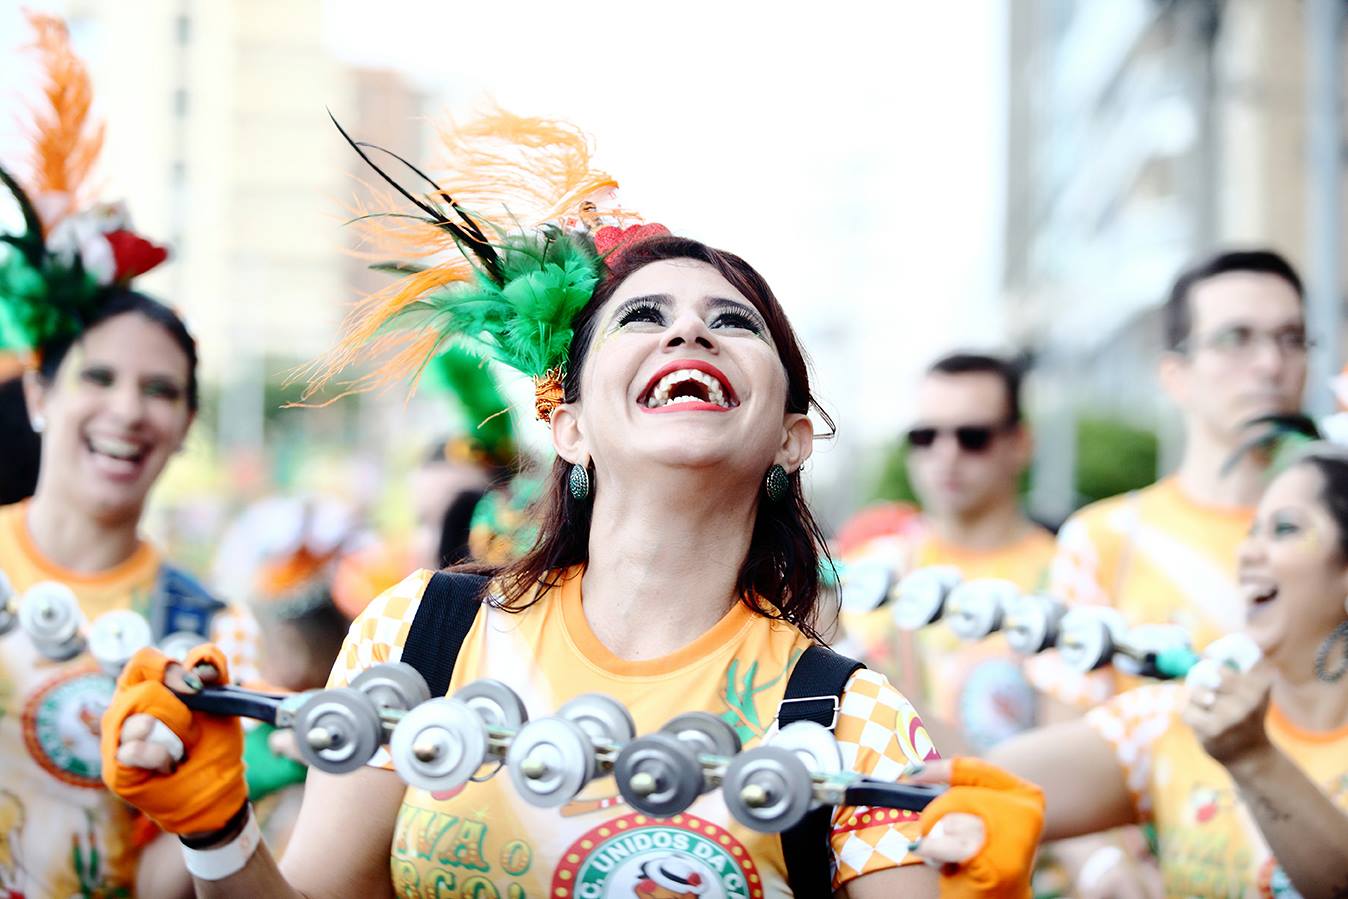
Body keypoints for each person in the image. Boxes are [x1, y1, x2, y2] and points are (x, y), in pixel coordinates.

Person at [100, 111, 1044, 898]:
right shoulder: (420, 634)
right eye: (643, 315)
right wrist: (216, 827)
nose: (688, 329)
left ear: (791, 437)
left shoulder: (849, 718)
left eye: (733, 323)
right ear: (571, 424)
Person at [0, 14, 256, 897]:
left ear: (185, 426)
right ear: (39, 395)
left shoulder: (210, 633)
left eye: (160, 391)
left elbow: (173, 869)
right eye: (98, 377)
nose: (126, 410)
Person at [992, 446, 1348, 896]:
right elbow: (979, 784)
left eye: (1285, 529)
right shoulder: (1180, 716)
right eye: (1252, 531)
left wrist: (1254, 760)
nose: (1249, 553)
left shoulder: (1229, 732)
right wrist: (882, 707)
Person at [1029, 250, 1309, 711]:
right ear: (1175, 375)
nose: (1271, 364)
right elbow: (1066, 742)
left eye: (1291, 338)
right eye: (1236, 338)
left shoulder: (1334, 534)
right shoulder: (1105, 539)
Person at [838, 352, 1056, 753]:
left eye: (972, 437)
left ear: (1020, 444)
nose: (946, 453)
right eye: (926, 436)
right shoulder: (868, 569)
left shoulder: (1067, 576)